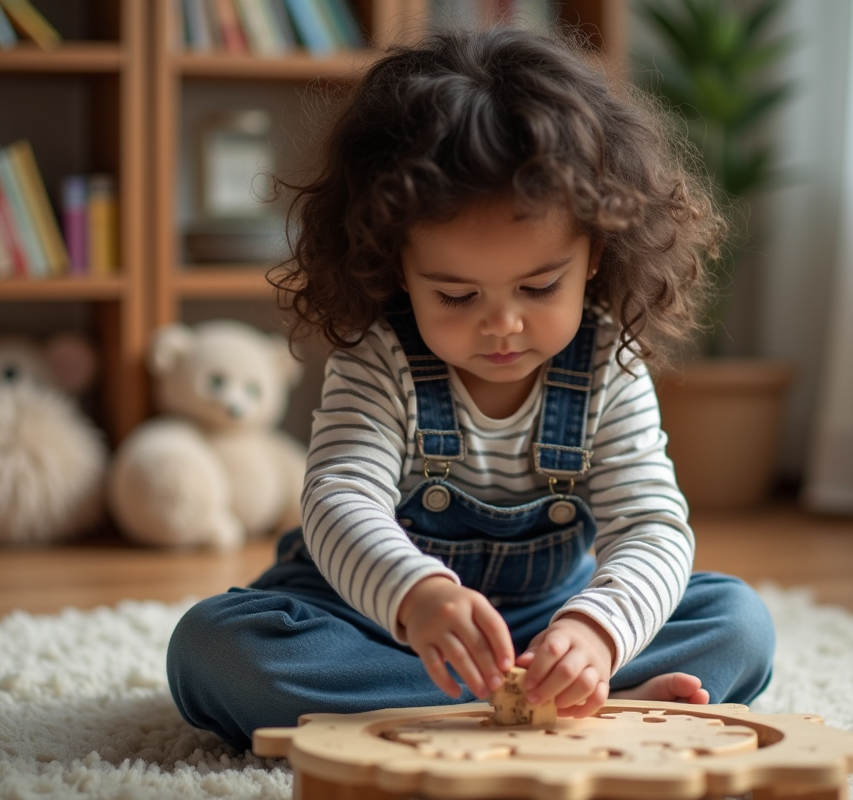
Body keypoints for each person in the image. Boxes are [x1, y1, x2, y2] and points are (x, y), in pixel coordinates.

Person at [167, 25, 775, 752]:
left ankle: (540, 695)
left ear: (594, 253)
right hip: (377, 623)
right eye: (456, 295)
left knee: (738, 623)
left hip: (549, 627)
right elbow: (338, 501)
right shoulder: (379, 355)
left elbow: (650, 528)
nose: (503, 325)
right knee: (214, 647)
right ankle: (538, 712)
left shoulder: (608, 362)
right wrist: (416, 598)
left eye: (538, 284)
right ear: (396, 266)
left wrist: (596, 635)